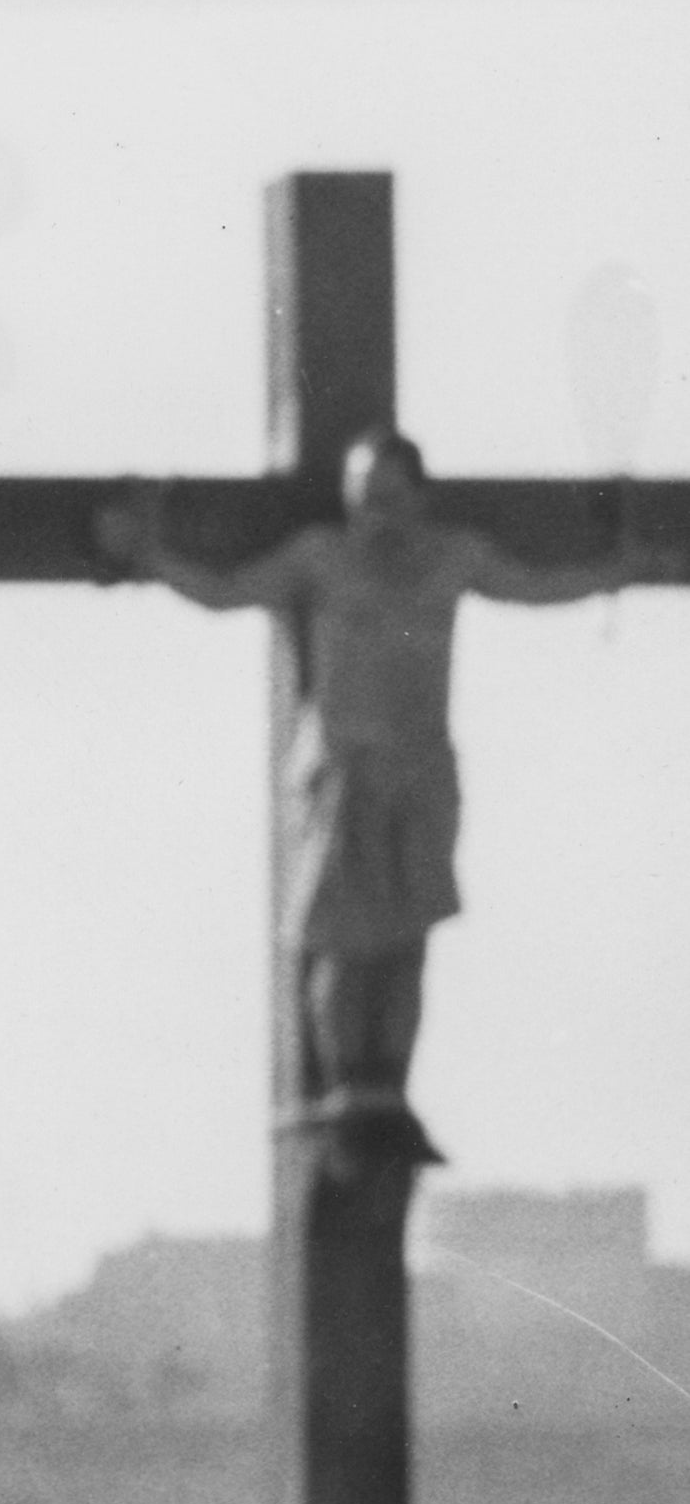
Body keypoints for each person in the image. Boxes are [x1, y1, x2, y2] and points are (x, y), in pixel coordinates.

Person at [100, 429, 681, 1150]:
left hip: (422, 772)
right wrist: (151, 552)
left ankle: (388, 1092)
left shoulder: (454, 557)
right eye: (362, 500)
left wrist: (614, 568)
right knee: (342, 945)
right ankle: (348, 1089)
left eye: (389, 498)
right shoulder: (320, 557)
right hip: (342, 772)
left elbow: (535, 587)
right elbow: (227, 591)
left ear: (418, 497)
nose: (374, 514)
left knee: (406, 944)